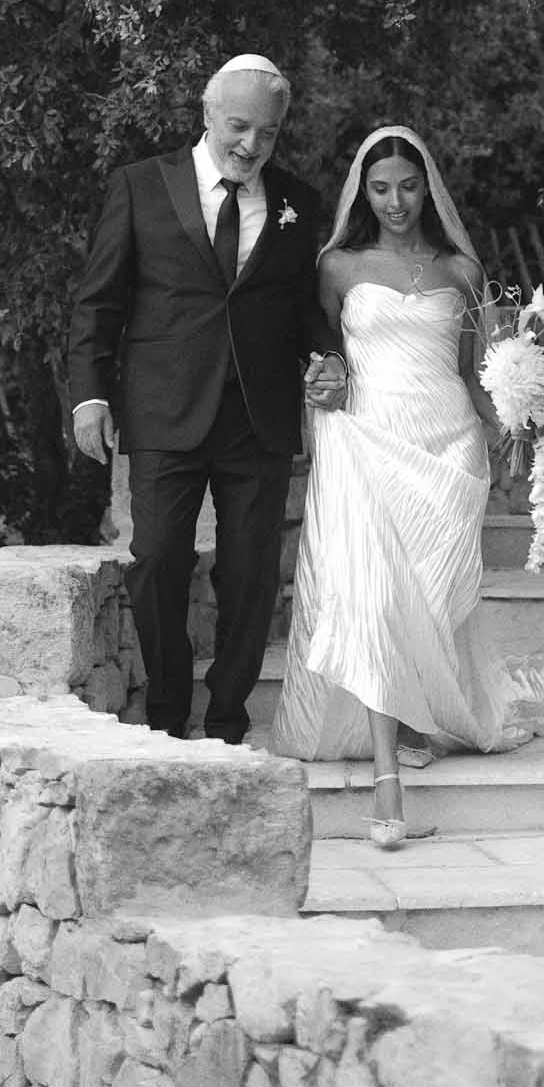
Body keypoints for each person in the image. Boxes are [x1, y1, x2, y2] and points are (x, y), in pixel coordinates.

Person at [270, 126, 544, 846]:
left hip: (446, 443)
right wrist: (318, 389)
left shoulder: (461, 270)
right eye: (380, 189)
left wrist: (519, 420)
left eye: (407, 187)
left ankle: (422, 717)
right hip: (364, 439)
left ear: (428, 187)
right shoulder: (337, 267)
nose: (396, 202)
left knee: (433, 595)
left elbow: (479, 367)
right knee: (374, 597)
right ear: (362, 191)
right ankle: (387, 789)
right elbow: (320, 358)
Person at [68, 53, 344, 743]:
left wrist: (330, 355)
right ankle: (165, 711)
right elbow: (97, 301)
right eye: (239, 127)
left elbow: (301, 308)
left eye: (269, 133)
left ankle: (224, 720)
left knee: (250, 576)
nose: (251, 145)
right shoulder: (139, 186)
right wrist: (89, 397)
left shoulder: (295, 203)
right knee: (158, 557)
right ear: (207, 113)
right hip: (164, 409)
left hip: (259, 416)